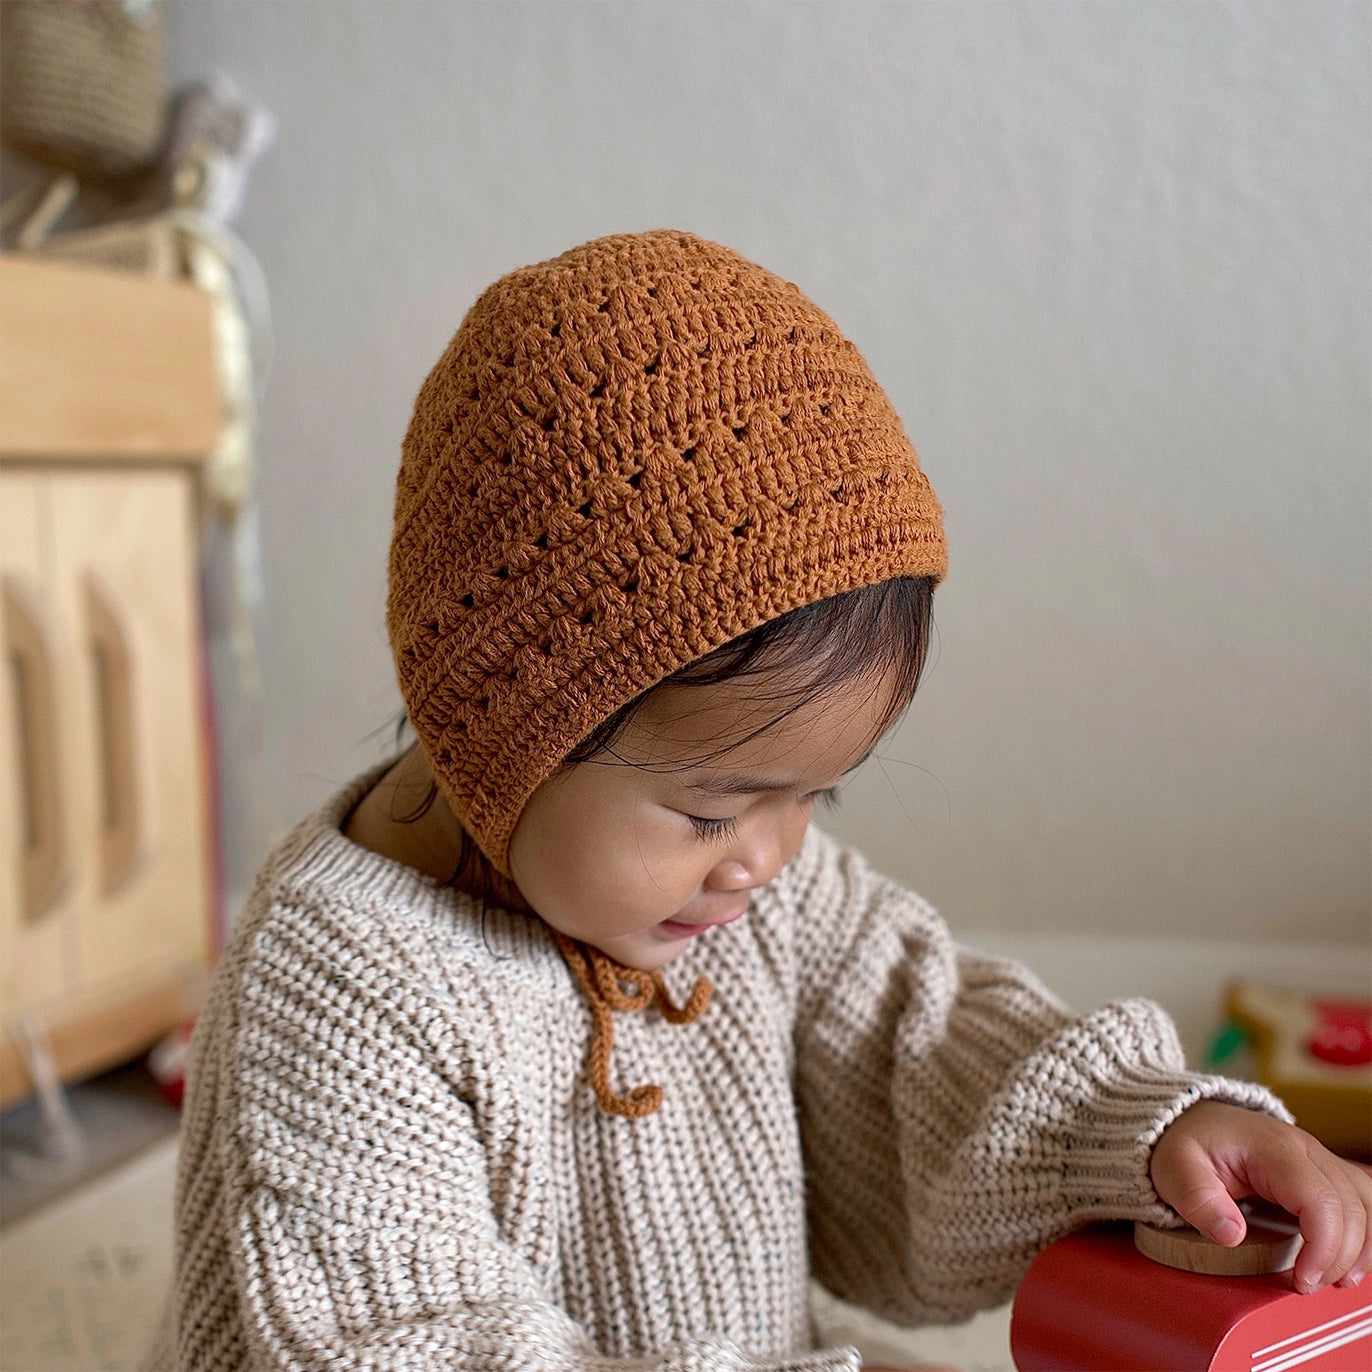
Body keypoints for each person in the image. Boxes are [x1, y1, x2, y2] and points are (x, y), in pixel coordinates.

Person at [151, 230, 1370, 1371]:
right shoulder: (340, 986)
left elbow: (925, 1046)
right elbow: (414, 1339)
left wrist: (1148, 1129)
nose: (767, 861)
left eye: (815, 799)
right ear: (500, 723)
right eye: (708, 810)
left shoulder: (744, 899)